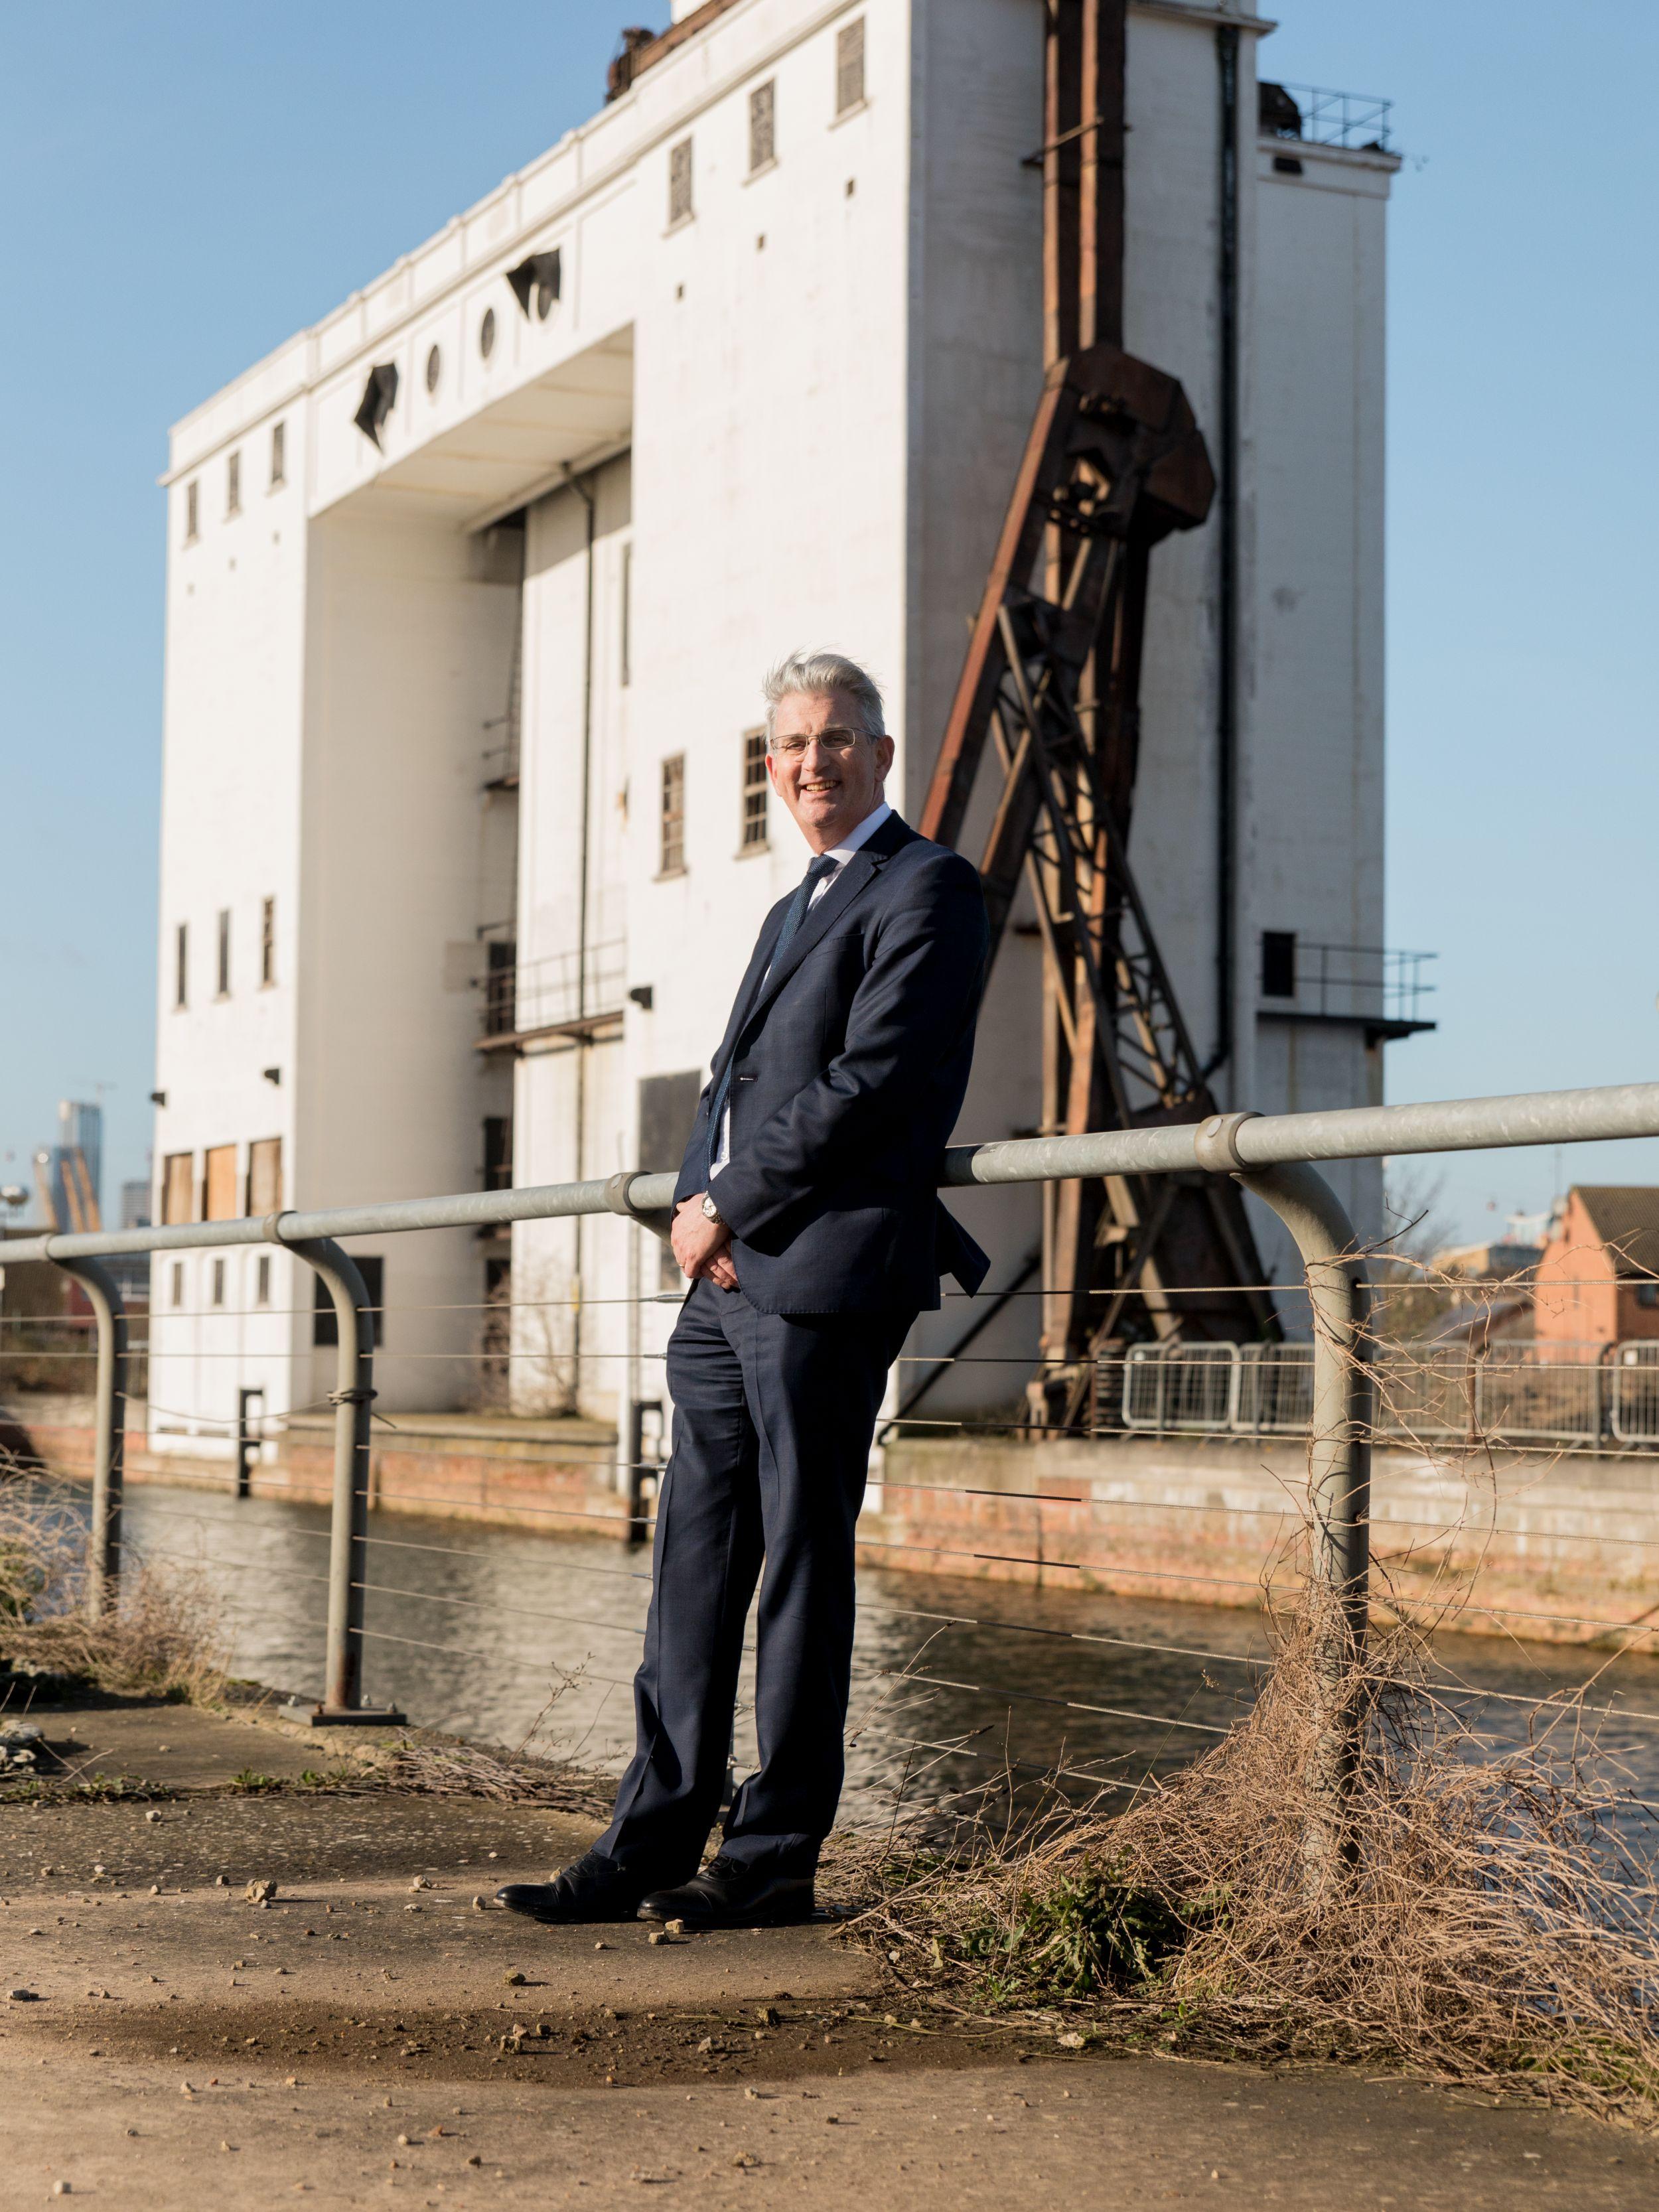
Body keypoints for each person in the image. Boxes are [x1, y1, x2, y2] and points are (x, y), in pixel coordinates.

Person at [498, 650, 989, 1930]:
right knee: (695, 1564)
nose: (810, 762)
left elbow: (871, 1082)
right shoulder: (792, 908)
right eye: (788, 746)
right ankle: (649, 1836)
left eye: (834, 739)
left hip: (825, 1276)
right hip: (724, 1281)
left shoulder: (930, 886)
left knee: (802, 1568)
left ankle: (771, 1858)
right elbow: (732, 1086)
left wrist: (728, 1204)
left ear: (883, 752)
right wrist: (693, 1204)